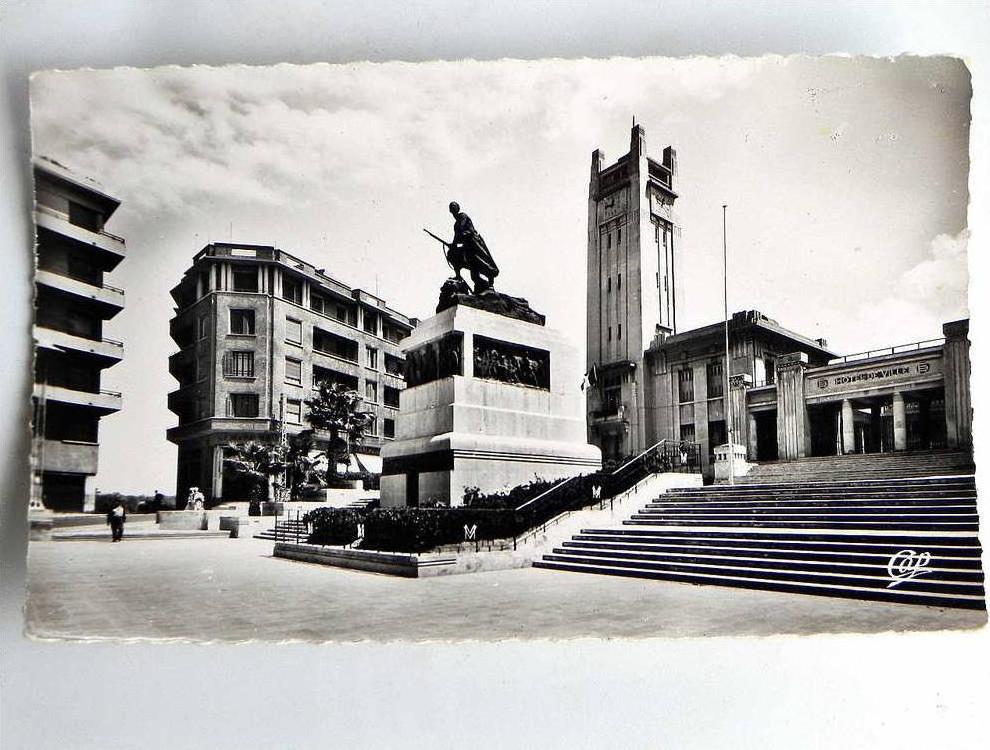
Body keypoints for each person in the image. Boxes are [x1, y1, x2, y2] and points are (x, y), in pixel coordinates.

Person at [448, 202, 499, 294]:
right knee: (452, 255)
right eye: (451, 207)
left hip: (474, 243)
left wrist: (457, 240)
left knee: (482, 261)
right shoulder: (455, 225)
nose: (453, 209)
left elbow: (465, 230)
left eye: (454, 207)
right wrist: (453, 245)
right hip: (467, 246)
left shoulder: (462, 216)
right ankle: (459, 276)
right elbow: (457, 237)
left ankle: (490, 284)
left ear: (458, 208)